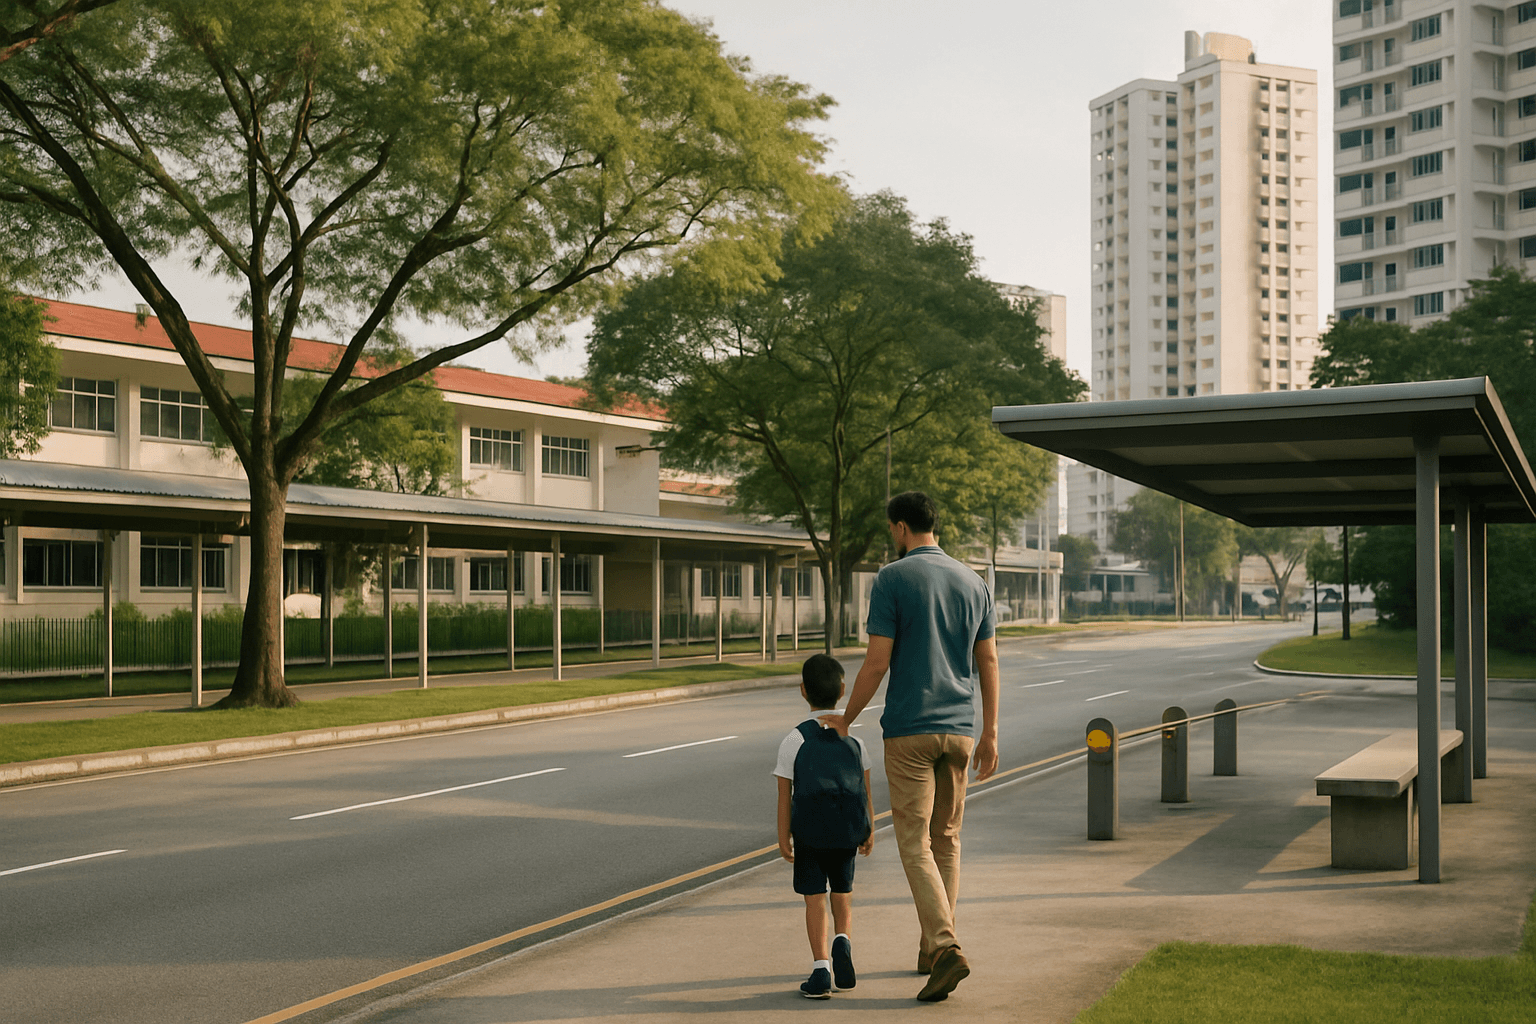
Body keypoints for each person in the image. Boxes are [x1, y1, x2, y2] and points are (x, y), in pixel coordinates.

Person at [822, 490, 999, 1003]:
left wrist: (846, 718)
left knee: (915, 843)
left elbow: (877, 661)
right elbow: (987, 662)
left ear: (901, 528)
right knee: (946, 840)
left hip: (910, 731)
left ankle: (945, 947)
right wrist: (989, 732)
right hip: (961, 731)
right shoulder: (975, 582)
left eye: (891, 529)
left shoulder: (892, 578)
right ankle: (929, 949)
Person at [774, 653, 875, 999]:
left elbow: (784, 794)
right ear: (843, 690)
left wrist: (783, 836)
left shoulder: (793, 740)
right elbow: (864, 790)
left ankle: (820, 969)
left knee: (814, 899)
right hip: (846, 831)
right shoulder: (855, 742)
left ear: (803, 691)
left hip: (808, 834)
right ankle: (843, 940)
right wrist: (869, 828)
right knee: (842, 893)